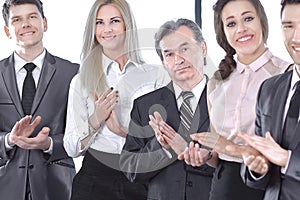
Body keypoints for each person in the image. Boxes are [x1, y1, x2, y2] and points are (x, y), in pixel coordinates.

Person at [180, 0, 291, 200]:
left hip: (271, 186)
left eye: (248, 18)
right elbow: (217, 151)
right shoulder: (216, 82)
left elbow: (290, 153)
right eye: (231, 24)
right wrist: (203, 156)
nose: (241, 28)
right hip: (224, 187)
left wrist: (233, 149)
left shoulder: (287, 74)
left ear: (262, 22)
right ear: (223, 32)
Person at [63, 0, 169, 199]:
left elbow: (164, 138)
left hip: (141, 175)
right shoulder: (81, 81)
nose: (107, 29)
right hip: (95, 177)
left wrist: (124, 132)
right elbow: (71, 148)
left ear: (126, 25)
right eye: (99, 22)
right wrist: (97, 118)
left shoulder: (155, 76)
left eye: (114, 21)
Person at [120, 18, 215, 200]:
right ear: (163, 62)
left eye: (184, 49)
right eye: (169, 54)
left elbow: (237, 167)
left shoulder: (226, 99)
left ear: (203, 48)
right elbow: (130, 169)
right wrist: (164, 148)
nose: (178, 60)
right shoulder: (145, 105)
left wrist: (187, 150)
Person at [0, 0, 79, 200]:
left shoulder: (73, 74)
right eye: (17, 20)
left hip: (57, 186)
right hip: (5, 186)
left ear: (44, 23)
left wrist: (50, 143)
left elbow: (82, 135)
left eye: (32, 17)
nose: (26, 24)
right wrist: (9, 140)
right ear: (8, 31)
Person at [227, 0, 300, 199]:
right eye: (289, 26)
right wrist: (256, 167)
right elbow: (257, 174)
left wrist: (287, 160)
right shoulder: (270, 89)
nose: (297, 37)